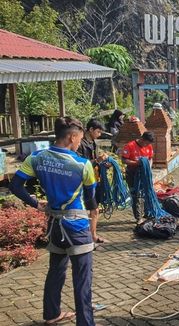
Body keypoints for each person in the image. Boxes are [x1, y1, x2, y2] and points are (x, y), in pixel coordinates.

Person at [9, 117, 98, 326]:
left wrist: (35, 204)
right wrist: (94, 224)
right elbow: (92, 200)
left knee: (56, 271)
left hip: (54, 226)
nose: (79, 144)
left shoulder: (36, 157)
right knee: (82, 279)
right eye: (79, 140)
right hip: (77, 227)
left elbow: (15, 186)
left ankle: (52, 314)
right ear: (72, 137)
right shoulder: (82, 164)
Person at [77, 118, 109, 244]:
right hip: (82, 181)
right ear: (90, 130)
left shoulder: (92, 143)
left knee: (94, 209)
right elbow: (80, 164)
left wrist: (103, 164)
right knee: (92, 209)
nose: (99, 135)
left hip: (93, 179)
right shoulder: (80, 144)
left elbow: (93, 161)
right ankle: (91, 236)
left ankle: (92, 235)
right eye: (98, 132)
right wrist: (98, 161)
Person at [121, 131, 155, 223]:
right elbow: (124, 160)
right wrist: (137, 163)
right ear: (142, 139)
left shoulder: (149, 146)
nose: (147, 145)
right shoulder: (130, 146)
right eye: (146, 143)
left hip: (144, 174)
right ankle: (138, 217)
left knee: (146, 193)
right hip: (132, 174)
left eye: (149, 144)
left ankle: (148, 213)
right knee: (135, 195)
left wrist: (148, 168)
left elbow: (150, 158)